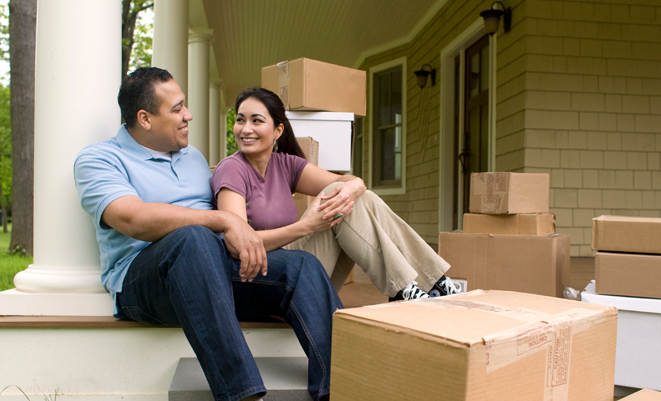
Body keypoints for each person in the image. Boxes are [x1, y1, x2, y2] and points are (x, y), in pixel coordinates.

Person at [74, 68, 340, 401]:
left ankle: (341, 389)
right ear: (144, 118)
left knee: (302, 266)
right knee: (194, 237)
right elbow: (133, 218)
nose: (189, 115)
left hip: (214, 271)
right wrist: (224, 221)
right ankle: (241, 395)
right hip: (145, 282)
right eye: (177, 109)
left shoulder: (193, 157)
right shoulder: (99, 159)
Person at [212, 87, 459, 302]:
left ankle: (429, 283)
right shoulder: (232, 169)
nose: (245, 129)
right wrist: (306, 227)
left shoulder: (285, 164)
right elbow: (237, 245)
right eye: (241, 120)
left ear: (278, 131)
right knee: (339, 196)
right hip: (264, 278)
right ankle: (412, 287)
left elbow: (348, 183)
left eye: (256, 121)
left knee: (356, 196)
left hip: (299, 269)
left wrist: (357, 185)